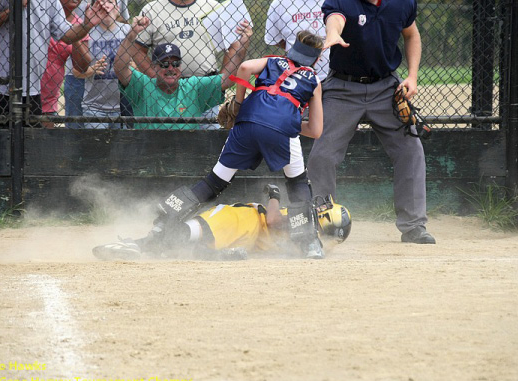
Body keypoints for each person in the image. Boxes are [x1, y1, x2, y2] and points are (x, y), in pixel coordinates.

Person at [102, 30, 326, 259]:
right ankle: (309, 244)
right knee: (297, 182)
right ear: (316, 60)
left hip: (246, 121)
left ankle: (161, 227)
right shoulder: (314, 80)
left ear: (291, 51)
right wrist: (282, 122)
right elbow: (316, 130)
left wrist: (239, 104)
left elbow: (246, 68)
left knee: (214, 182)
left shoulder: (272, 61)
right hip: (283, 130)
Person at [305, 0, 435, 244]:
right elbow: (335, 19)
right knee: (322, 154)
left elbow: (412, 35)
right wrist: (333, 34)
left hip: (386, 87)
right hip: (343, 87)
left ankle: (414, 226)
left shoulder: (402, 3)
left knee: (411, 150)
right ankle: (323, 223)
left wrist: (413, 77)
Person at [92, 185, 352, 260]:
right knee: (190, 239)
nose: (318, 207)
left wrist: (274, 195)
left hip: (243, 220)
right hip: (248, 237)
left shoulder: (304, 227)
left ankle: (140, 244)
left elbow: (272, 220)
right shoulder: (311, 247)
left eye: (324, 209)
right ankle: (151, 246)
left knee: (190, 229)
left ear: (326, 218)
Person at [114, 15, 251, 130]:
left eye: (175, 63)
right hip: (148, 152)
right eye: (164, 64)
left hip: (188, 153)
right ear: (154, 67)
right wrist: (132, 34)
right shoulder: (143, 85)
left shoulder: (193, 87)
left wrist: (243, 45)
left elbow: (227, 80)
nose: (171, 68)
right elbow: (120, 68)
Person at [0, 0, 112, 128]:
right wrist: (12, 9)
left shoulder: (50, 2)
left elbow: (66, 34)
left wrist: (87, 25)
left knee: (31, 142)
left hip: (33, 91)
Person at [67, 0, 129, 129]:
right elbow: (76, 71)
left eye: (110, 2)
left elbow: (135, 66)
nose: (106, 6)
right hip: (93, 106)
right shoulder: (86, 33)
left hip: (121, 106)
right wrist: (92, 70)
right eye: (101, 3)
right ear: (95, 9)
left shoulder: (127, 31)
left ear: (118, 9)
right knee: (96, 146)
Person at [39, 0, 85, 128]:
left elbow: (81, 66)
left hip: (49, 99)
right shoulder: (42, 12)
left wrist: (73, 34)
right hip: (26, 91)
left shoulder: (80, 25)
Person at [264, 0, 330, 81]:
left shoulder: (336, 2)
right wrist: (300, 50)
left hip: (332, 76)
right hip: (296, 77)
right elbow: (275, 39)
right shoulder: (279, 4)